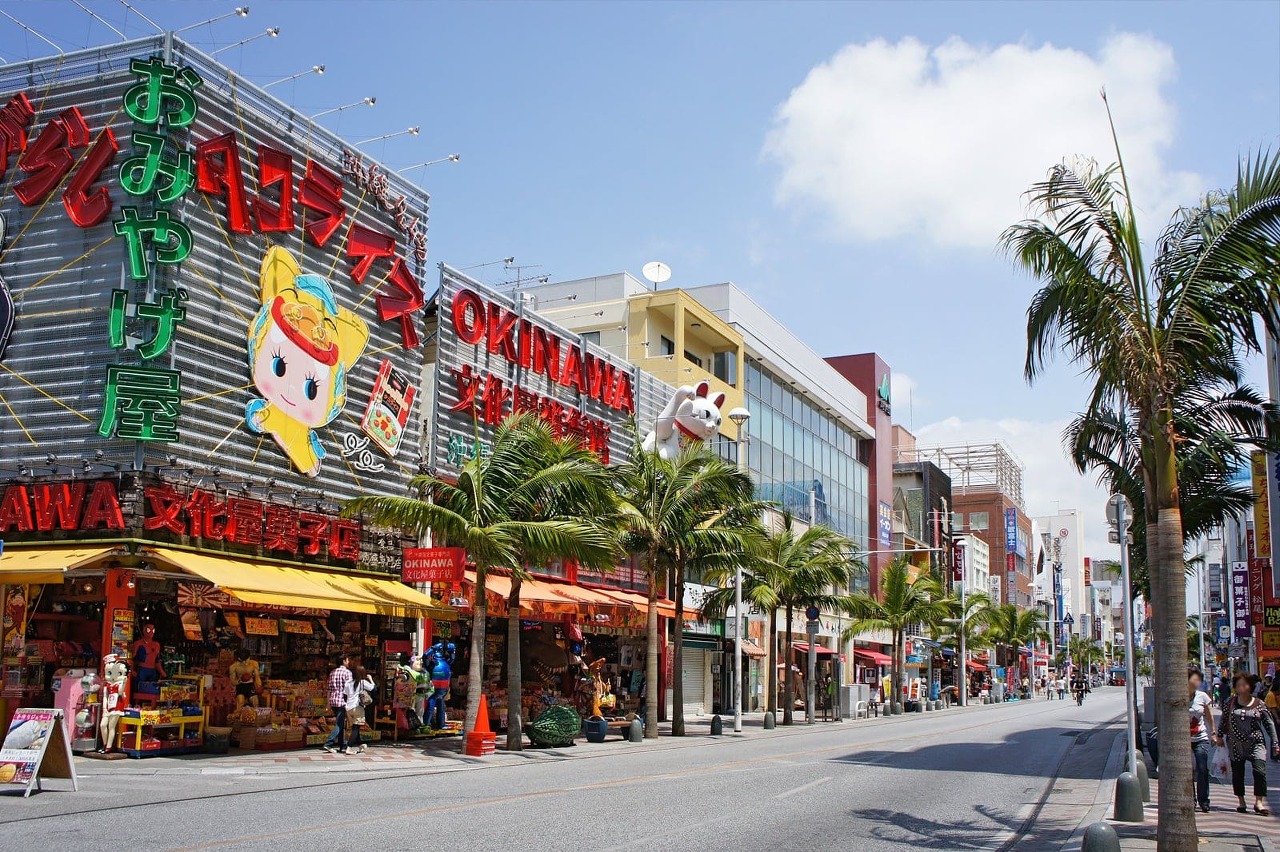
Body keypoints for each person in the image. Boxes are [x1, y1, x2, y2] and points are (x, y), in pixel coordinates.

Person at [1215, 673, 1280, 815]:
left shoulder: (1259, 704)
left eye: (1244, 685)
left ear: (1250, 686)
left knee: (1260, 770)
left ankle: (1259, 802)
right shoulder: (1230, 702)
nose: (1241, 688)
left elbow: (1269, 724)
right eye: (1238, 685)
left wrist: (1275, 742)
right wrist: (1219, 736)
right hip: (1235, 744)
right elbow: (1223, 720)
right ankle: (1241, 801)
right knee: (1238, 773)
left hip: (1256, 742)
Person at [1188, 670, 1216, 813]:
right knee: (1187, 770)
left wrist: (1213, 733)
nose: (1195, 683)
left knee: (1202, 769)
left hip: (1201, 738)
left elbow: (1209, 715)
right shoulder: (1178, 696)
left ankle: (1204, 800)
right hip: (1183, 740)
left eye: (1197, 680)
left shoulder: (1202, 696)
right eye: (1193, 680)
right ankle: (1191, 799)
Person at [323, 653, 353, 753]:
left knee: (341, 722)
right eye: (347, 660)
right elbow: (349, 689)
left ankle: (342, 744)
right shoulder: (347, 673)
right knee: (339, 724)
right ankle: (329, 743)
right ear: (344, 661)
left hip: (333, 700)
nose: (348, 662)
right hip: (342, 701)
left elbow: (329, 689)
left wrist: (328, 703)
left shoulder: (332, 672)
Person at [343, 664, 375, 754]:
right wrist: (371, 679)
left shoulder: (348, 683)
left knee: (355, 727)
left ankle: (360, 745)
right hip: (357, 707)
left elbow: (344, 696)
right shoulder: (362, 682)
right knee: (356, 728)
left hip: (348, 708)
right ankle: (349, 747)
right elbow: (374, 689)